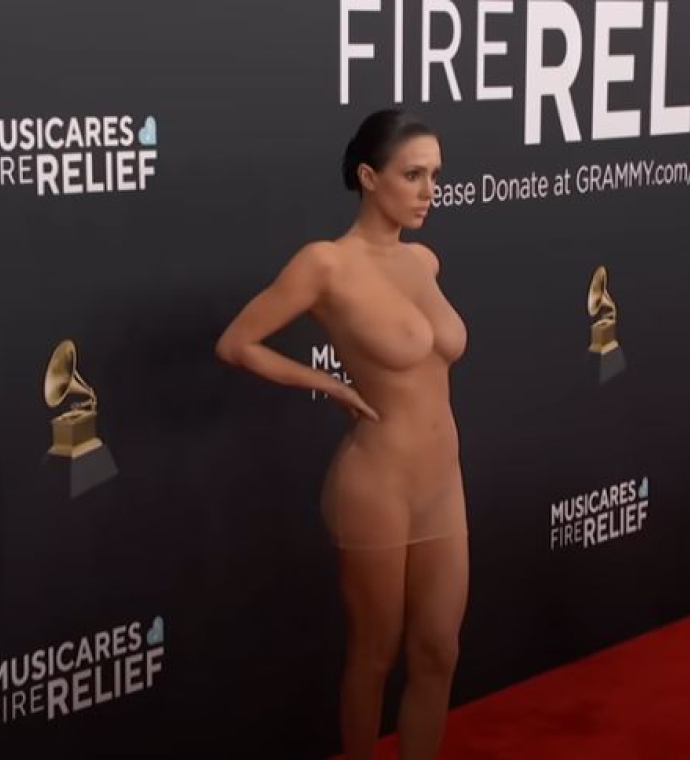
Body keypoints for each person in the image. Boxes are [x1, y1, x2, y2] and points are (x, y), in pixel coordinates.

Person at [216, 109, 467, 760]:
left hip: (444, 482)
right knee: (375, 655)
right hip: (376, 484)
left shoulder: (424, 261)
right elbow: (237, 343)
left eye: (435, 175)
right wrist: (327, 384)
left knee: (438, 651)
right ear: (368, 177)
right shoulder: (325, 264)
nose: (429, 190)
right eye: (413, 175)